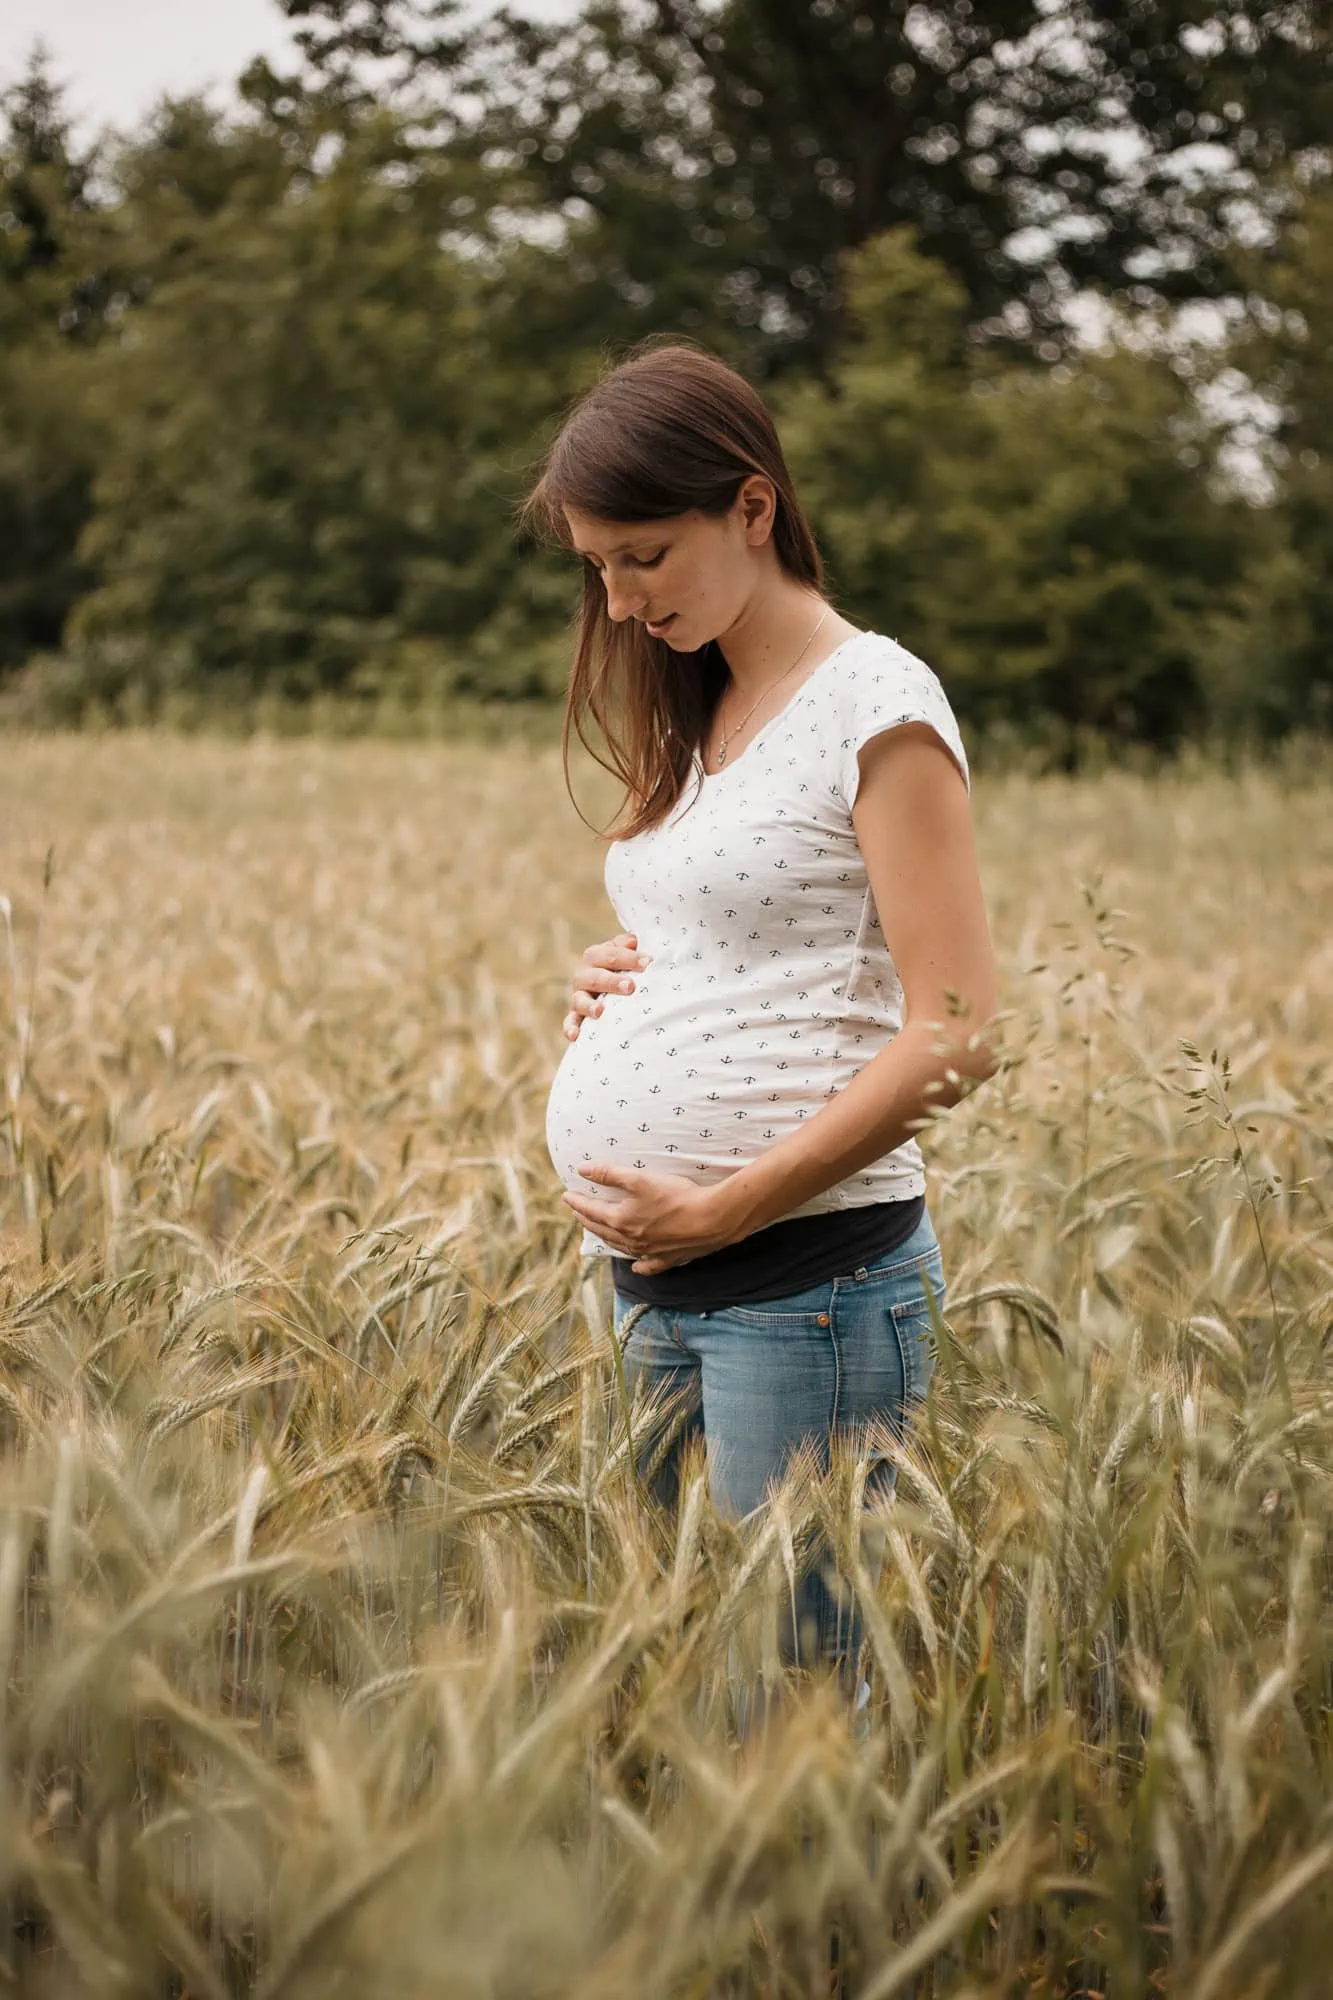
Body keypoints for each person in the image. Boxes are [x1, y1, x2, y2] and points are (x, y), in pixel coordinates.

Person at [527, 339, 999, 1723]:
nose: (617, 602)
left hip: (809, 1286)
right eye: (596, 567)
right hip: (658, 1283)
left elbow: (959, 1031)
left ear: (751, 506)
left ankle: (827, 1957)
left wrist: (727, 1205)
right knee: (692, 1678)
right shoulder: (709, 704)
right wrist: (623, 984)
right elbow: (741, 931)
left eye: (643, 556)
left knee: (788, 1709)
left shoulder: (876, 704)